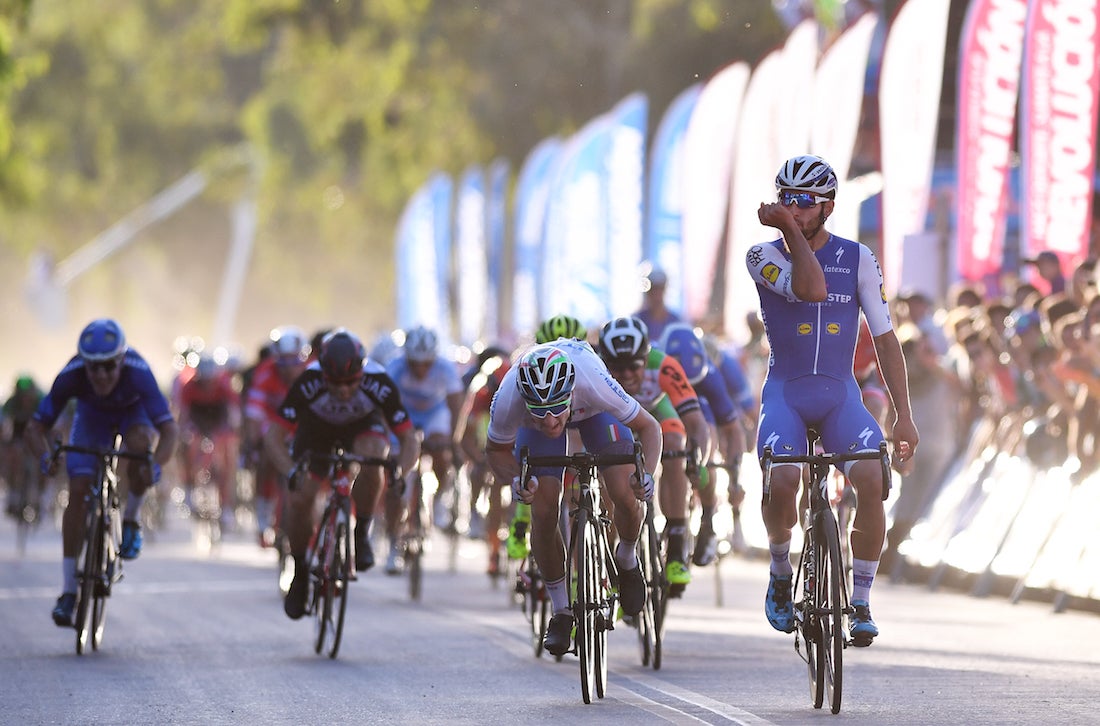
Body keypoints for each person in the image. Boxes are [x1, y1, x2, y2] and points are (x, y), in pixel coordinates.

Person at [747, 154, 918, 646]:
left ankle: (860, 599)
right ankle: (781, 573)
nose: (793, 211)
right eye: (786, 201)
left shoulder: (859, 258)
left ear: (829, 207)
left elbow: (885, 340)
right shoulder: (763, 255)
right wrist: (791, 232)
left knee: (869, 474)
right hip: (787, 394)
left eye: (804, 203)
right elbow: (812, 287)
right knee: (783, 481)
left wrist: (904, 416)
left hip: (840, 394)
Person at [485, 339, 663, 655]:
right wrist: (516, 479)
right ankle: (561, 611)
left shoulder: (591, 378)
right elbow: (496, 451)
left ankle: (627, 556)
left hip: (595, 414)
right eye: (539, 412)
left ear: (570, 393)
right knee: (543, 510)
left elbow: (650, 428)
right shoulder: (510, 393)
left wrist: (645, 474)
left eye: (556, 409)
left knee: (623, 490)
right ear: (526, 401)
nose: (550, 421)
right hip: (538, 438)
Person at [25, 319, 179, 627]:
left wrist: (155, 465)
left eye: (109, 366)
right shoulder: (72, 374)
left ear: (121, 360)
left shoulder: (138, 372)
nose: (101, 375)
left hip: (132, 416)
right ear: (84, 363)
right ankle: (69, 591)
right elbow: (35, 426)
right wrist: (45, 457)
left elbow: (169, 429)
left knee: (139, 448)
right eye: (93, 367)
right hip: (91, 420)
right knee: (78, 491)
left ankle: (132, 520)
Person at [263, 329, 420, 620]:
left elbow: (410, 440)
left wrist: (401, 471)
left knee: (375, 454)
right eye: (335, 383)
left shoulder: (379, 382)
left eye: (351, 383)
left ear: (362, 372)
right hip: (316, 433)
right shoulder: (308, 381)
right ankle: (299, 572)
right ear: (323, 373)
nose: (344, 390)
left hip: (362, 429)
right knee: (300, 498)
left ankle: (361, 533)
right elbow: (274, 437)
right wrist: (291, 471)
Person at [596, 316, 710, 595]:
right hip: (614, 419)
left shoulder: (664, 365)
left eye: (633, 366)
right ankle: (611, 562)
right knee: (610, 480)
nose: (626, 375)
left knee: (675, 440)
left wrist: (699, 461)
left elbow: (695, 422)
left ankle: (676, 539)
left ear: (646, 358)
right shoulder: (594, 370)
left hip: (656, 413)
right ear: (603, 362)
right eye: (617, 368)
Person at [659, 324, 748, 561]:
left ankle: (708, 516)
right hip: (667, 408)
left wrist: (734, 476)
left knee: (707, 426)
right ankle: (673, 523)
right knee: (672, 453)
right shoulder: (657, 366)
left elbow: (733, 430)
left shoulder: (709, 376)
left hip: (700, 410)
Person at [385, 326, 465, 538]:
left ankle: (440, 496)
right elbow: (384, 406)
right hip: (405, 414)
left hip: (434, 414)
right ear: (406, 358)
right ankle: (393, 536)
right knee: (395, 473)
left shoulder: (445, 368)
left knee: (440, 447)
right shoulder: (395, 367)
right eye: (415, 364)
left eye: (426, 364)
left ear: (434, 358)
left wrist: (454, 441)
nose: (420, 369)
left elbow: (457, 407)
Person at [242, 326, 311, 547]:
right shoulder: (265, 372)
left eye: (294, 363)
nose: (288, 370)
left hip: (301, 425)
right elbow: (254, 413)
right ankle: (263, 511)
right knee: (265, 459)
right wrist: (254, 443)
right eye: (283, 363)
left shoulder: (312, 372)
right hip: (273, 424)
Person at [176, 355, 240, 528]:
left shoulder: (223, 385)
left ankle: (225, 506)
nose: (207, 384)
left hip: (218, 418)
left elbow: (232, 411)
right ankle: (189, 489)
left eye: (210, 380)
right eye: (203, 380)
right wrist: (183, 433)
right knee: (189, 445)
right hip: (197, 420)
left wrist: (232, 428)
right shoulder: (189, 386)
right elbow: (184, 413)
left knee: (226, 456)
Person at [3, 374, 46, 520]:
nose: (26, 399)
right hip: (19, 432)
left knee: (43, 460)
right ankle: (13, 493)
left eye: (28, 396)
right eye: (22, 396)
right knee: (12, 455)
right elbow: (4, 425)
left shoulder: (41, 401)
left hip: (39, 432)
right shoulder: (11, 403)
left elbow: (52, 427)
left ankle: (41, 497)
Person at [633, 267, 684, 344]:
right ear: (648, 292)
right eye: (653, 289)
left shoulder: (676, 322)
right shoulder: (637, 320)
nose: (656, 294)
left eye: (660, 289)